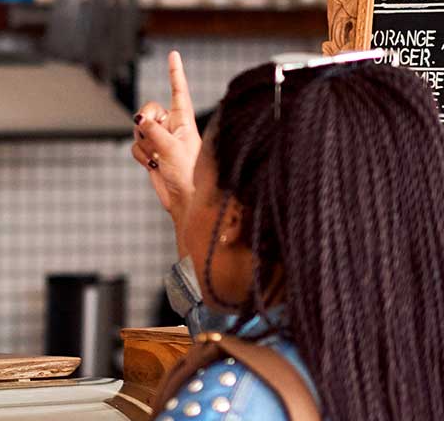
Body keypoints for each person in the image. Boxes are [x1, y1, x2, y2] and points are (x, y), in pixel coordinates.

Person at [132, 51, 444, 420]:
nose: (191, 196)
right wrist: (192, 201)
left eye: (198, 184)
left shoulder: (225, 405)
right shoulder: (406, 366)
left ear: (232, 220)